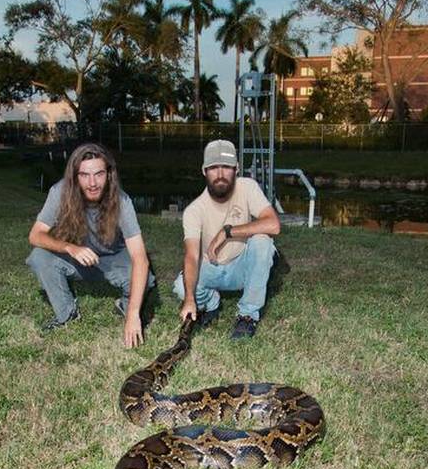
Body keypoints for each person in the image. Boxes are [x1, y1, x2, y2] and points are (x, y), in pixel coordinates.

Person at [27, 142, 154, 348]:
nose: (92, 183)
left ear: (109, 174)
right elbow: (35, 235)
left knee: (145, 277)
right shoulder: (59, 192)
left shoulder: (122, 201)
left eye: (99, 174)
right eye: (84, 175)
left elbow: (140, 256)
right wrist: (70, 248)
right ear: (74, 176)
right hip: (78, 258)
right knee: (39, 256)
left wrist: (133, 315)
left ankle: (125, 305)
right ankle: (67, 315)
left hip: (113, 259)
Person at [174, 139, 281, 339]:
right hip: (211, 268)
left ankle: (247, 315)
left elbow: (273, 224)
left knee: (263, 242)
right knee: (181, 287)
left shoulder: (248, 187)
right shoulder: (194, 211)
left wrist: (228, 231)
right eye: (214, 168)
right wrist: (189, 299)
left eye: (227, 167)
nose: (221, 175)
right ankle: (211, 303)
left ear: (237, 169)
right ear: (204, 171)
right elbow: (191, 256)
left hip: (241, 266)